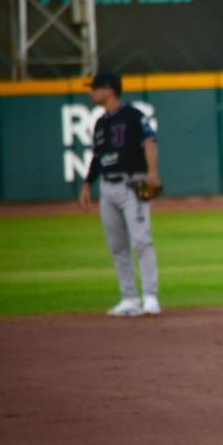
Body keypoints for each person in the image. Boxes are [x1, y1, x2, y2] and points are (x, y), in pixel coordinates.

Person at [77, 71, 162, 317]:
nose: (91, 92)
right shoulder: (101, 123)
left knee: (142, 240)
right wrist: (86, 184)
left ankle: (150, 297)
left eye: (94, 88)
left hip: (132, 184)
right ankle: (129, 298)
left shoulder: (133, 116)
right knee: (117, 246)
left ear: (109, 89)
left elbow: (150, 142)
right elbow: (97, 156)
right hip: (107, 187)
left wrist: (152, 173)